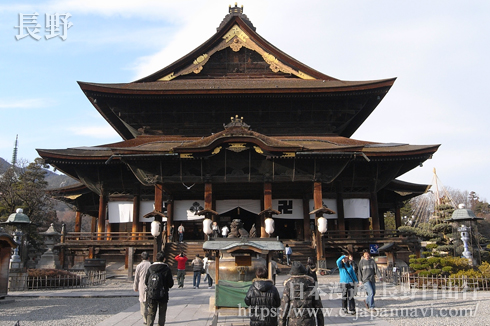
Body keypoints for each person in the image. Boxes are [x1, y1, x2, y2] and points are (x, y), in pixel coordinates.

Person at [278, 261, 324, 326]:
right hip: (309, 322)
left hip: (293, 322)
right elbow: (319, 309)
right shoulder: (311, 285)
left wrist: (281, 323)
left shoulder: (289, 286)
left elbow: (284, 308)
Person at [144, 251, 174, 326]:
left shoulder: (150, 268)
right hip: (163, 294)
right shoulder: (166, 269)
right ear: (164, 259)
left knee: (151, 313)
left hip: (152, 294)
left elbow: (146, 282)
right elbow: (170, 284)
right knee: (162, 313)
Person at [133, 251, 151, 324]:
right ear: (149, 257)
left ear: (141, 258)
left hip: (142, 285)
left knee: (143, 303)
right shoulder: (151, 265)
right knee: (150, 303)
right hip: (150, 286)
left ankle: (145, 319)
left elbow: (136, 278)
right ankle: (150, 318)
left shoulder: (139, 266)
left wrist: (135, 287)